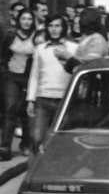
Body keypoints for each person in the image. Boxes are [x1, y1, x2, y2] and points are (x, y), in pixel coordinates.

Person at [26, 15, 78, 152]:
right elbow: (34, 75)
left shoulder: (73, 48)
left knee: (63, 139)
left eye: (57, 26)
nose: (54, 29)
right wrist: (30, 99)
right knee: (37, 138)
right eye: (51, 26)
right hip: (43, 97)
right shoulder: (40, 48)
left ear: (63, 28)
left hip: (65, 99)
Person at [0, 9, 37, 160]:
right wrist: (4, 72)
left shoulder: (37, 37)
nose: (26, 21)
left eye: (29, 19)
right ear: (19, 20)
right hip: (11, 77)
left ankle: (26, 144)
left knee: (26, 111)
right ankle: (5, 146)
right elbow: (2, 56)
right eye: (24, 18)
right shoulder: (10, 35)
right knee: (10, 109)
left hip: (28, 78)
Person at [64, 7, 109, 74]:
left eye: (81, 17)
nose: (79, 20)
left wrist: (68, 57)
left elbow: (90, 66)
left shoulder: (97, 40)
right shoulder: (86, 38)